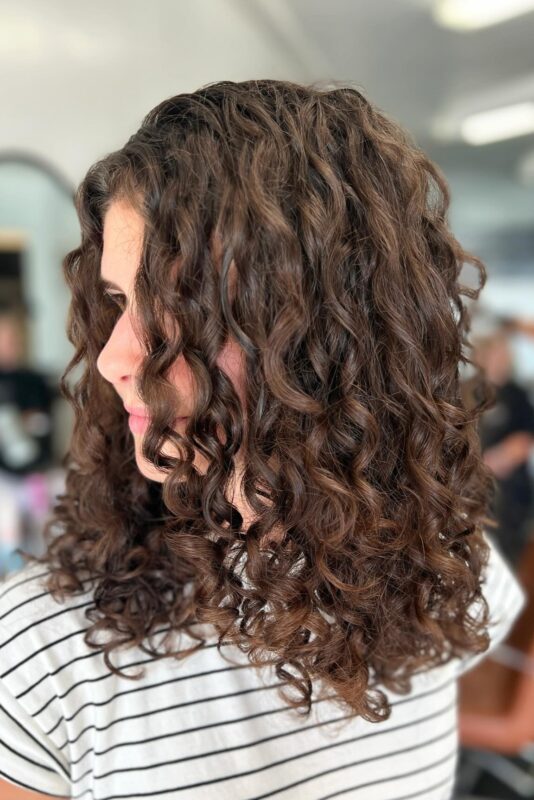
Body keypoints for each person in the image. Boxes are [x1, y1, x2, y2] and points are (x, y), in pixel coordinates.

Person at [0, 79, 526, 800]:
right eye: (121, 301)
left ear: (330, 337)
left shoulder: (453, 572)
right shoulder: (44, 652)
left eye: (180, 306)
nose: (115, 358)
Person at [475, 327, 534, 569]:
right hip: (474, 499)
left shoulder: (517, 396)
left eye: (503, 353)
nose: (500, 358)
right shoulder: (468, 392)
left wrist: (494, 460)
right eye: (494, 353)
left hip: (509, 502)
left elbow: (524, 441)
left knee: (504, 567)